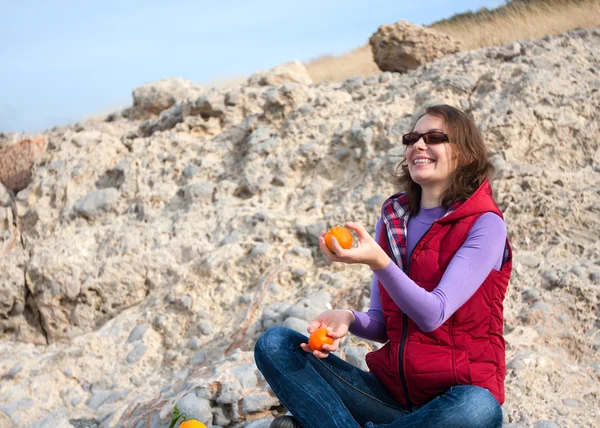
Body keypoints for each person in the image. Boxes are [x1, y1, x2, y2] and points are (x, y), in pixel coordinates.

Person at [254, 104, 512, 428]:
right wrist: (348, 318)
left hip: (452, 403)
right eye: (412, 138)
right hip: (390, 399)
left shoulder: (485, 224)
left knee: (479, 408)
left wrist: (379, 262)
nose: (418, 145)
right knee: (275, 344)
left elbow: (434, 313)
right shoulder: (394, 220)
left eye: (433, 138)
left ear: (465, 153)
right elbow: (382, 323)